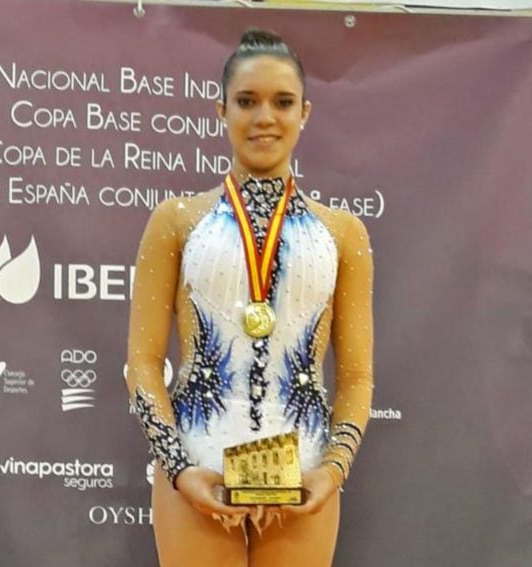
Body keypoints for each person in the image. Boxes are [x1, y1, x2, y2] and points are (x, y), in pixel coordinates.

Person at [124, 28, 375, 567]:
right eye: (247, 101)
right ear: (220, 111)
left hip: (302, 471)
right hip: (196, 465)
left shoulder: (342, 233)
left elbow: (356, 375)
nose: (265, 117)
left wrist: (331, 469)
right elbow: (143, 364)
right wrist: (178, 466)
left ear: (305, 112)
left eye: (282, 102)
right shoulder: (175, 222)